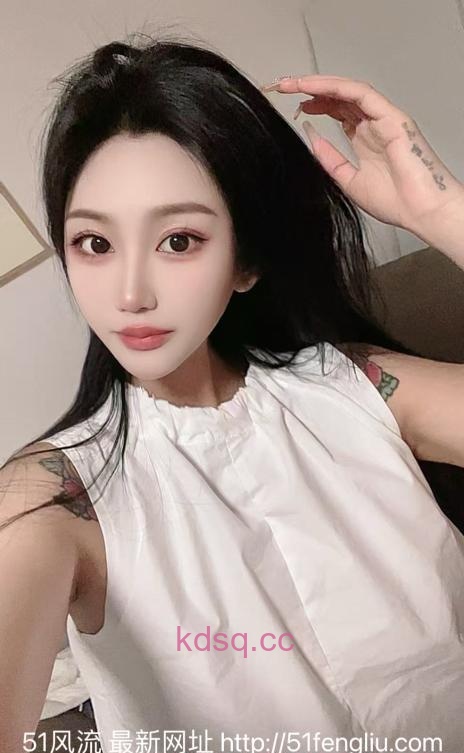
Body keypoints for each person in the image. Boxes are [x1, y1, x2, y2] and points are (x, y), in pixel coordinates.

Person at [1, 31, 464, 753]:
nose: (130, 293)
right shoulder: (56, 494)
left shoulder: (354, 386)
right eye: (95, 243)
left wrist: (443, 214)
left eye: (178, 240)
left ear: (246, 261)